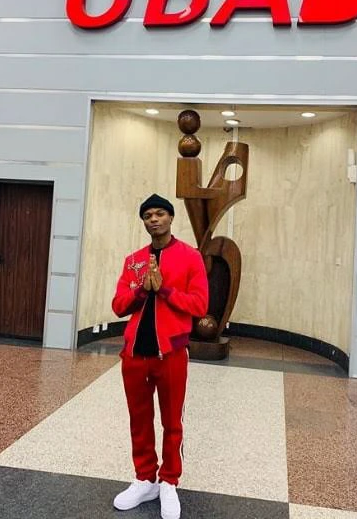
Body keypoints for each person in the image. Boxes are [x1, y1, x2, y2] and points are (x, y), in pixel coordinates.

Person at [112, 194, 208, 519]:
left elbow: (200, 305)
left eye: (160, 214)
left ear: (170, 218)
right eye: (148, 215)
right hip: (134, 355)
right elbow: (118, 305)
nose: (154, 219)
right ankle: (145, 479)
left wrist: (164, 289)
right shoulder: (134, 260)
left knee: (171, 421)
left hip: (172, 354)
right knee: (139, 420)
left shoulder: (191, 257)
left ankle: (169, 482)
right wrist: (143, 290)